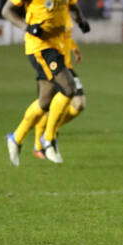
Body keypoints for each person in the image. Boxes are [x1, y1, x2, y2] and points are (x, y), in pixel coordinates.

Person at [4, 0, 90, 166]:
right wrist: (27, 27)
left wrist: (81, 21)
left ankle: (16, 137)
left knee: (44, 101)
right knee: (69, 89)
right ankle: (49, 139)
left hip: (59, 47)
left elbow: (72, 5)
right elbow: (7, 11)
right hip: (40, 46)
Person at [32, 15, 88, 159]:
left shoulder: (64, 8)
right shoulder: (49, 10)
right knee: (47, 105)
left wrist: (74, 48)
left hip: (67, 67)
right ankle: (38, 144)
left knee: (79, 104)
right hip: (55, 66)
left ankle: (49, 132)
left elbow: (66, 36)